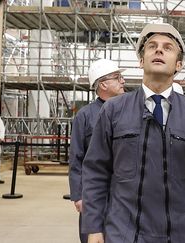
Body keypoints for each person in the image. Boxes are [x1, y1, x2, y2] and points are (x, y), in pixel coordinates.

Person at [81, 23, 185, 243]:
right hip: (124, 234)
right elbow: (96, 171)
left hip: (180, 235)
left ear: (178, 65)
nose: (159, 50)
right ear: (141, 61)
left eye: (167, 47)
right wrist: (94, 228)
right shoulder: (114, 109)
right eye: (152, 46)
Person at [68, 58, 125, 243]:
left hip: (124, 194)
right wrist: (78, 195)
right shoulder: (84, 116)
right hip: (93, 195)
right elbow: (76, 157)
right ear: (103, 84)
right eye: (118, 77)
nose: (123, 81)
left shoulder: (129, 110)